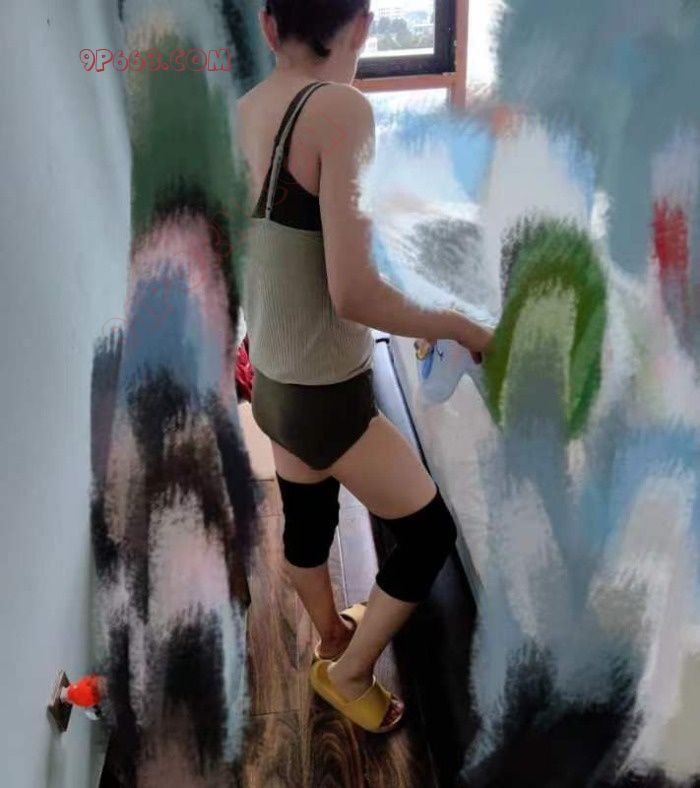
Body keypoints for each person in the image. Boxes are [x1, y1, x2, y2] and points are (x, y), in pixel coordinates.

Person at [237, 0, 492, 733]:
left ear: (268, 25)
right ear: (364, 27)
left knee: (307, 523)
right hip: (327, 393)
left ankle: (329, 639)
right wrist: (454, 323)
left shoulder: (246, 109)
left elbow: (286, 249)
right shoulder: (342, 110)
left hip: (271, 378)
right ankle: (348, 675)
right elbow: (353, 294)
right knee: (430, 535)